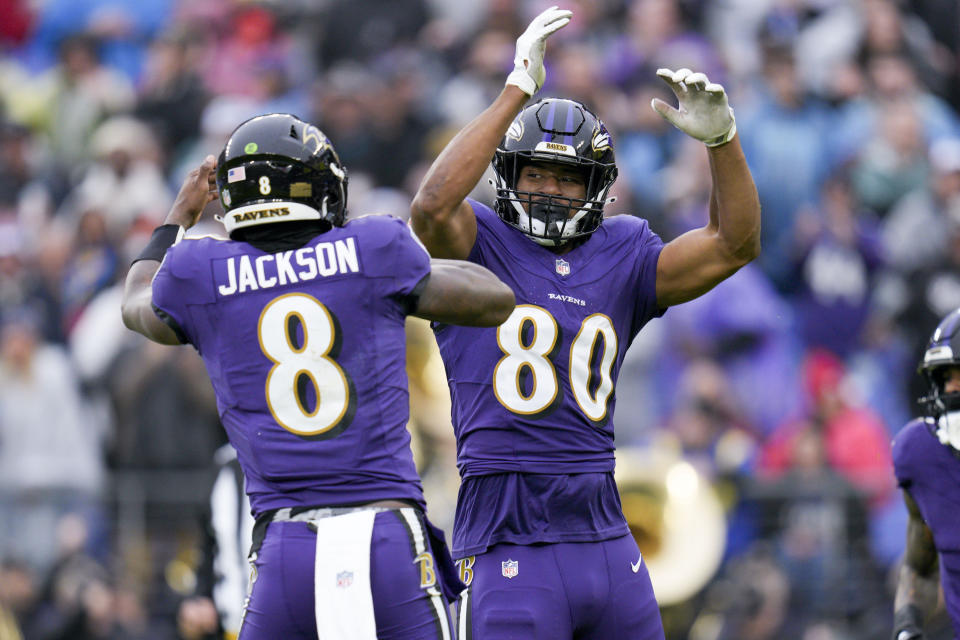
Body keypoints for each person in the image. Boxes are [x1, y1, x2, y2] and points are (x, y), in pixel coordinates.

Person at [409, 6, 760, 639]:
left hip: (604, 528)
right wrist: (516, 88)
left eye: (568, 179)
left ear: (596, 188)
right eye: (535, 172)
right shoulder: (478, 240)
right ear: (507, 175)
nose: (549, 190)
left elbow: (734, 243)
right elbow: (432, 204)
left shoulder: (623, 253)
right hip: (506, 524)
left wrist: (722, 142)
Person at [121, 112, 516, 640]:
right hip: (385, 537)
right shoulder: (372, 248)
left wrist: (178, 216)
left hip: (286, 550)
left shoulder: (199, 272)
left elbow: (134, 302)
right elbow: (495, 300)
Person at [891, 307, 960, 640]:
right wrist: (907, 628)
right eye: (945, 377)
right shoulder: (920, 453)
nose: (951, 390)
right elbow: (920, 566)